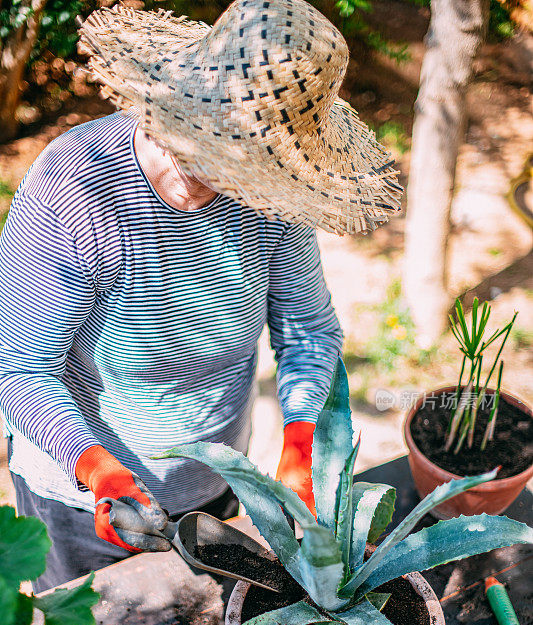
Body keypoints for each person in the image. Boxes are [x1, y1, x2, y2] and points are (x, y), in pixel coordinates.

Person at [0, 0, 401, 593]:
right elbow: (25, 372)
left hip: (213, 477)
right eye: (196, 143)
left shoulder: (271, 199)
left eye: (236, 165)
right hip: (89, 497)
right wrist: (95, 468)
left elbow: (308, 332)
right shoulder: (74, 192)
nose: (206, 174)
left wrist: (300, 437)